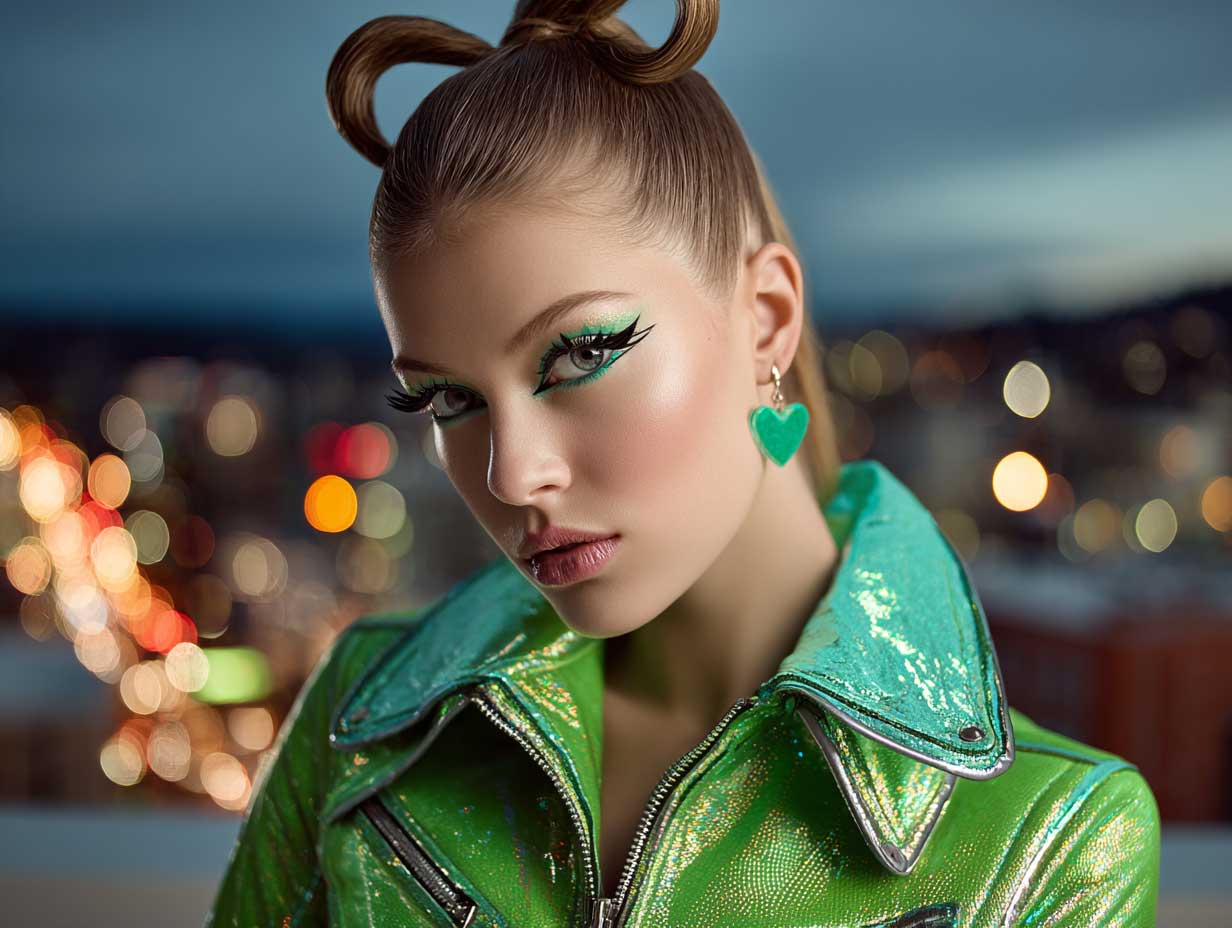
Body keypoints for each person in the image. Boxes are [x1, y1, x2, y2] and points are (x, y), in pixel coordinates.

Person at [205, 2, 1161, 925]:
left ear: (767, 319)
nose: (512, 474)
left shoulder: (1053, 841)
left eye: (580, 353)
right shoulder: (370, 720)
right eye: (448, 399)